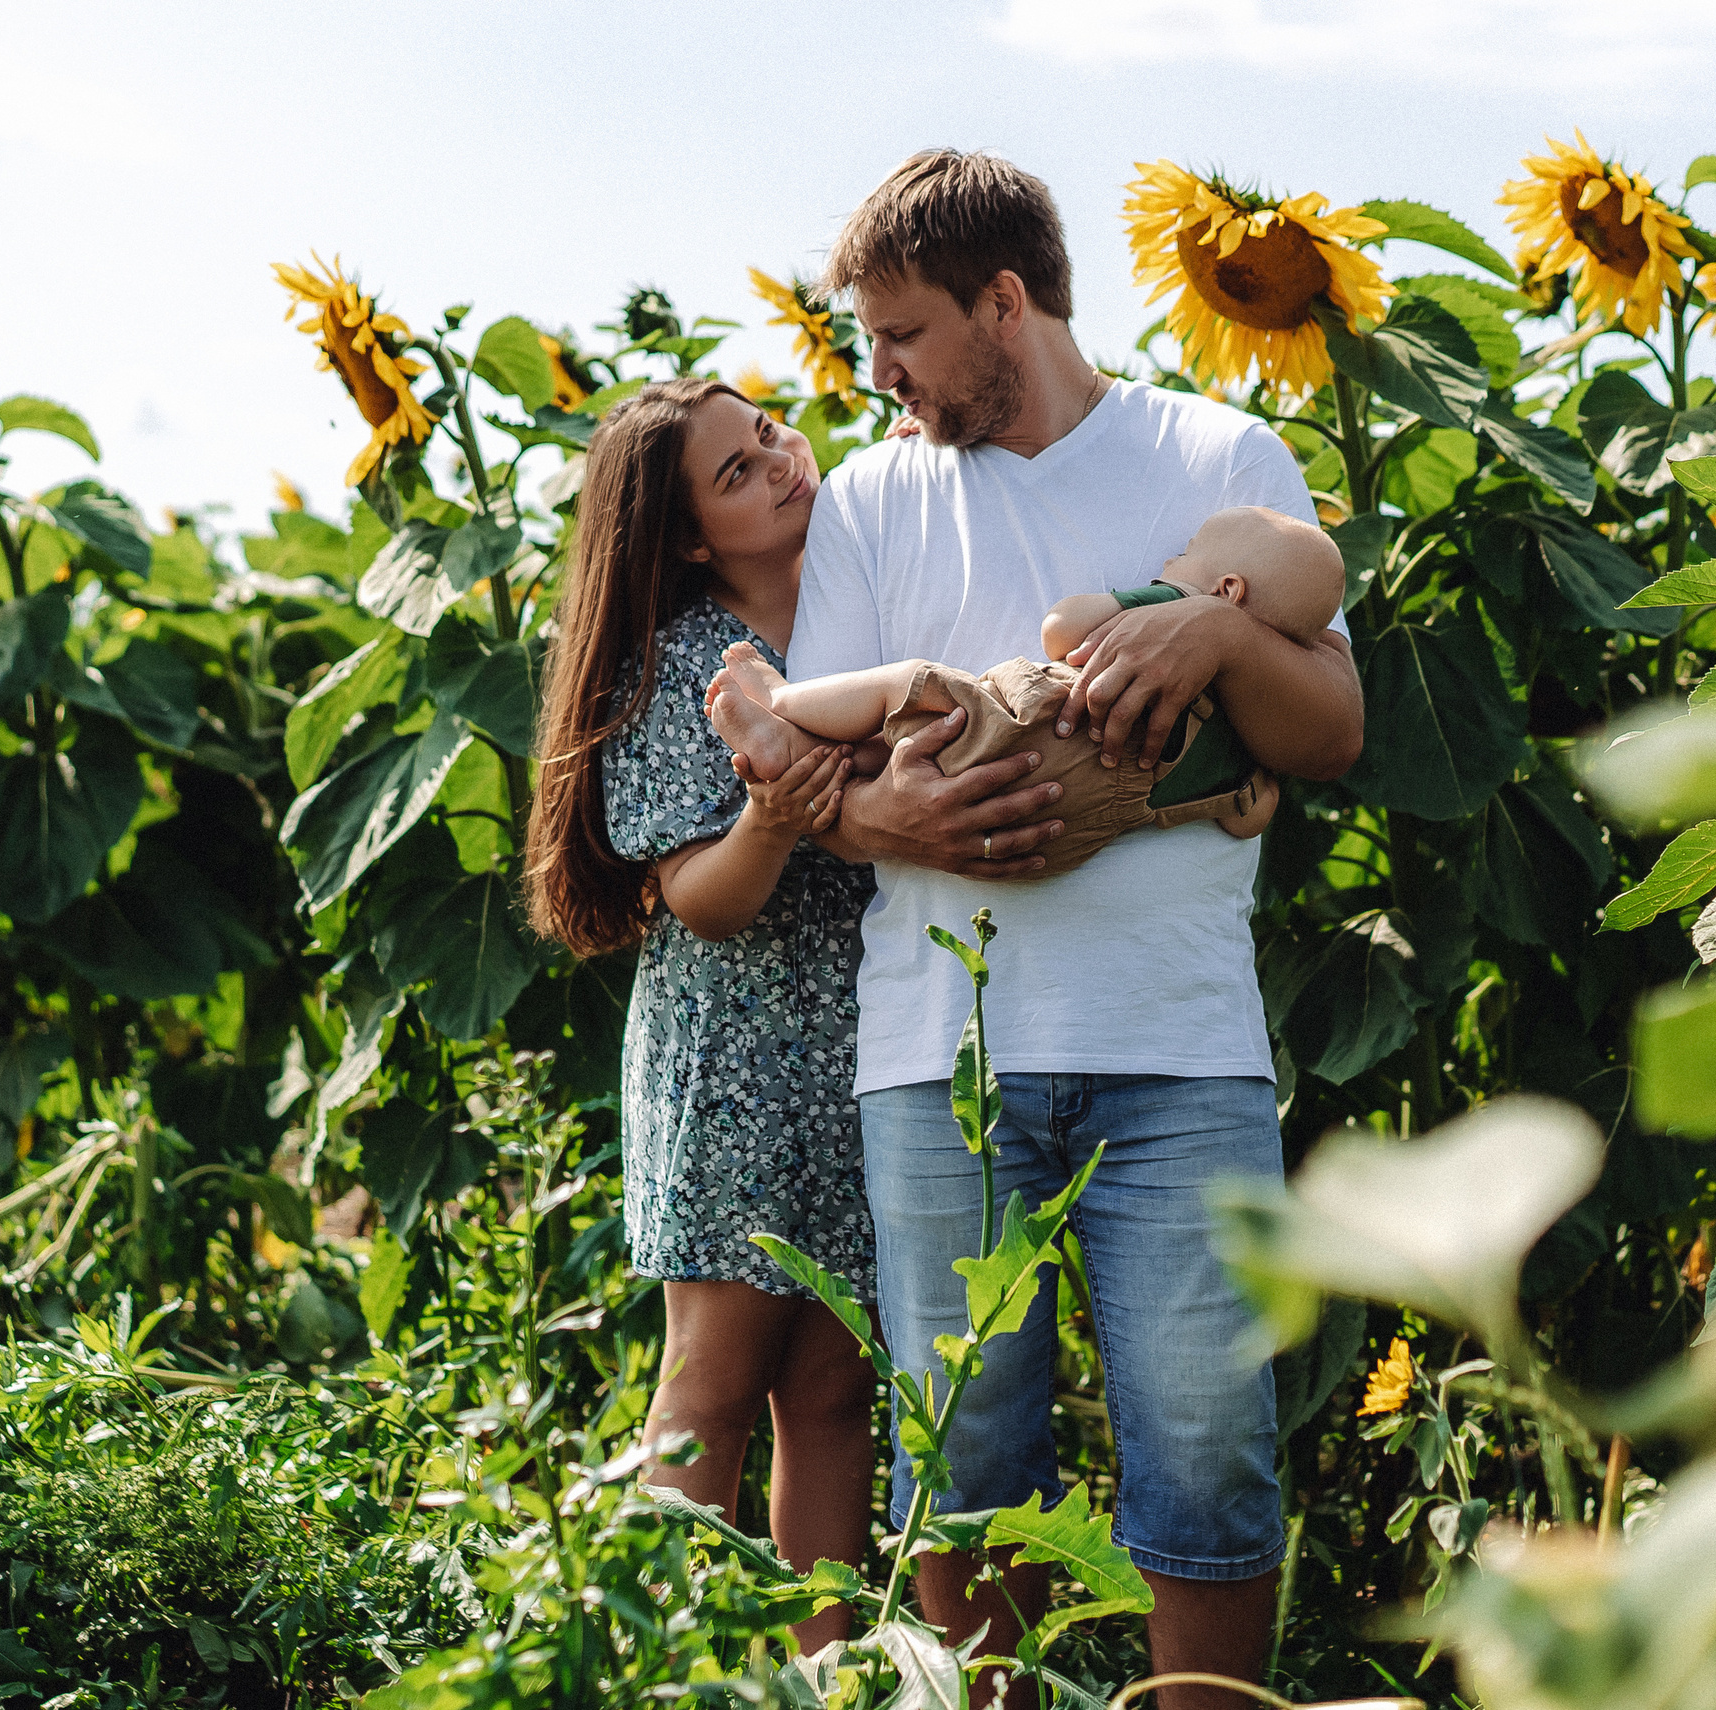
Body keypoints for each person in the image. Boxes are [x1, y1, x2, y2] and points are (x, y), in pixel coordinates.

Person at [785, 150, 1365, 1708]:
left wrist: (1215, 629)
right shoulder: (872, 497)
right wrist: (891, 819)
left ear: (1003, 303)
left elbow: (1332, 731)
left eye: (903, 334)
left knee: (1209, 1452)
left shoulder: (1213, 453)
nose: (881, 372)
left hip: (1178, 1045)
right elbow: (812, 773)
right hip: (941, 1057)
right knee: (965, 1463)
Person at [522, 377, 876, 1653]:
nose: (780, 460)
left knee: (834, 1392)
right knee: (712, 1386)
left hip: (865, 1049)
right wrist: (771, 820)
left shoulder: (861, 603)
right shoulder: (679, 665)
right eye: (737, 472)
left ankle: (824, 1673)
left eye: (769, 432)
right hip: (734, 1059)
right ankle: (667, 1665)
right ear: (682, 541)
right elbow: (701, 901)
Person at [704, 504, 1345, 874]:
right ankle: (799, 750)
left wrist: (1160, 598)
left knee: (907, 690)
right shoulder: (1246, 737)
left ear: (1227, 590)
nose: (1172, 560)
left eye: (1188, 551)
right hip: (1057, 831)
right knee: (909, 750)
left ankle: (785, 704)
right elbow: (1248, 817)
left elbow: (1060, 630)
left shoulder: (1176, 612)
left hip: (1035, 729)